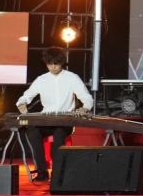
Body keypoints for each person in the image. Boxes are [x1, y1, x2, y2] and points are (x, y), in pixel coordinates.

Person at [16, 46, 94, 183]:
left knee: (59, 135)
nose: (53, 67)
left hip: (64, 121)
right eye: (49, 64)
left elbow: (86, 98)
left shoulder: (72, 78)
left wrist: (84, 108)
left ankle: (58, 173)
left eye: (56, 64)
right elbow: (26, 96)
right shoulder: (42, 79)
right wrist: (22, 103)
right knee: (32, 131)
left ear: (62, 63)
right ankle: (42, 172)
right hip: (46, 120)